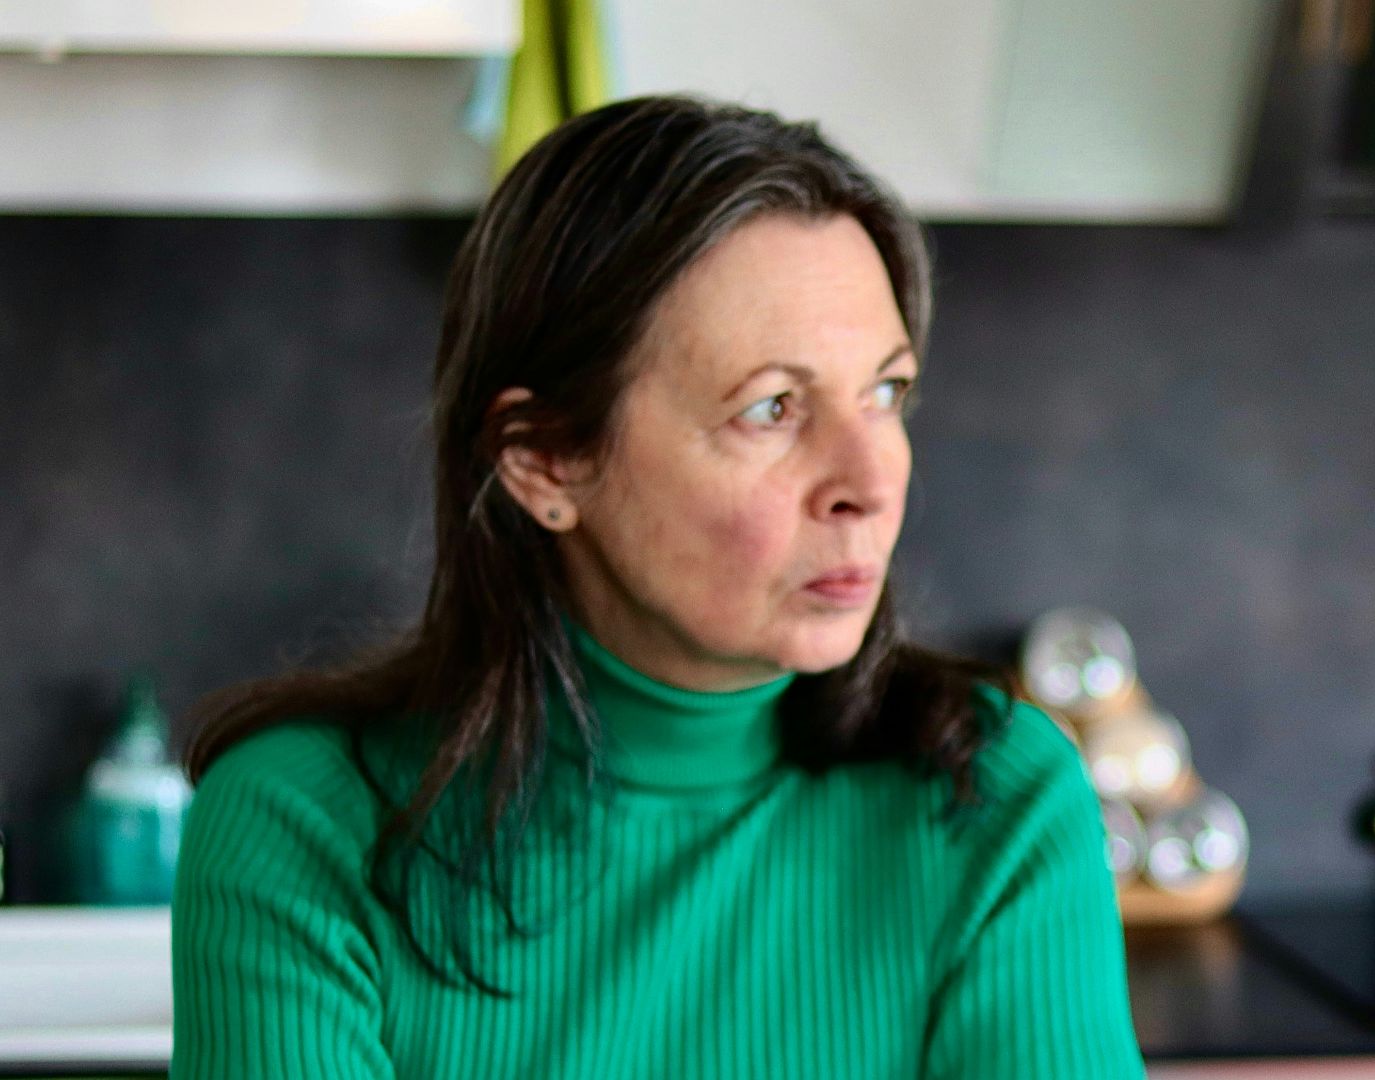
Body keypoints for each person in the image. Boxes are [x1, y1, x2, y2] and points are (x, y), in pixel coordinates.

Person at [169, 95, 1145, 1078]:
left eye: (883, 393)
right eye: (772, 409)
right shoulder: (301, 828)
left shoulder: (999, 802)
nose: (870, 481)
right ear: (544, 460)